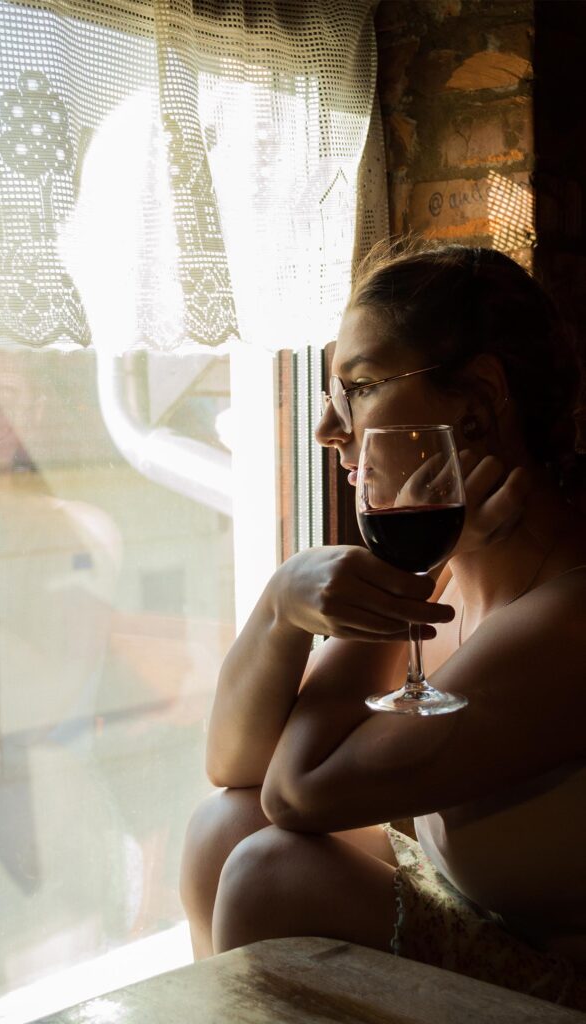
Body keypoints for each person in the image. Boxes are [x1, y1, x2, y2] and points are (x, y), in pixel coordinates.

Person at [179, 241, 586, 1009]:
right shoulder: (454, 572)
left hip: (564, 992)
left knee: (270, 873)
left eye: (360, 386)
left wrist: (397, 571)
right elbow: (237, 767)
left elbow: (298, 795)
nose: (327, 428)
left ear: (477, 400)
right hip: (488, 926)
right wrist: (279, 608)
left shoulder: (568, 617)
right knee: (222, 829)